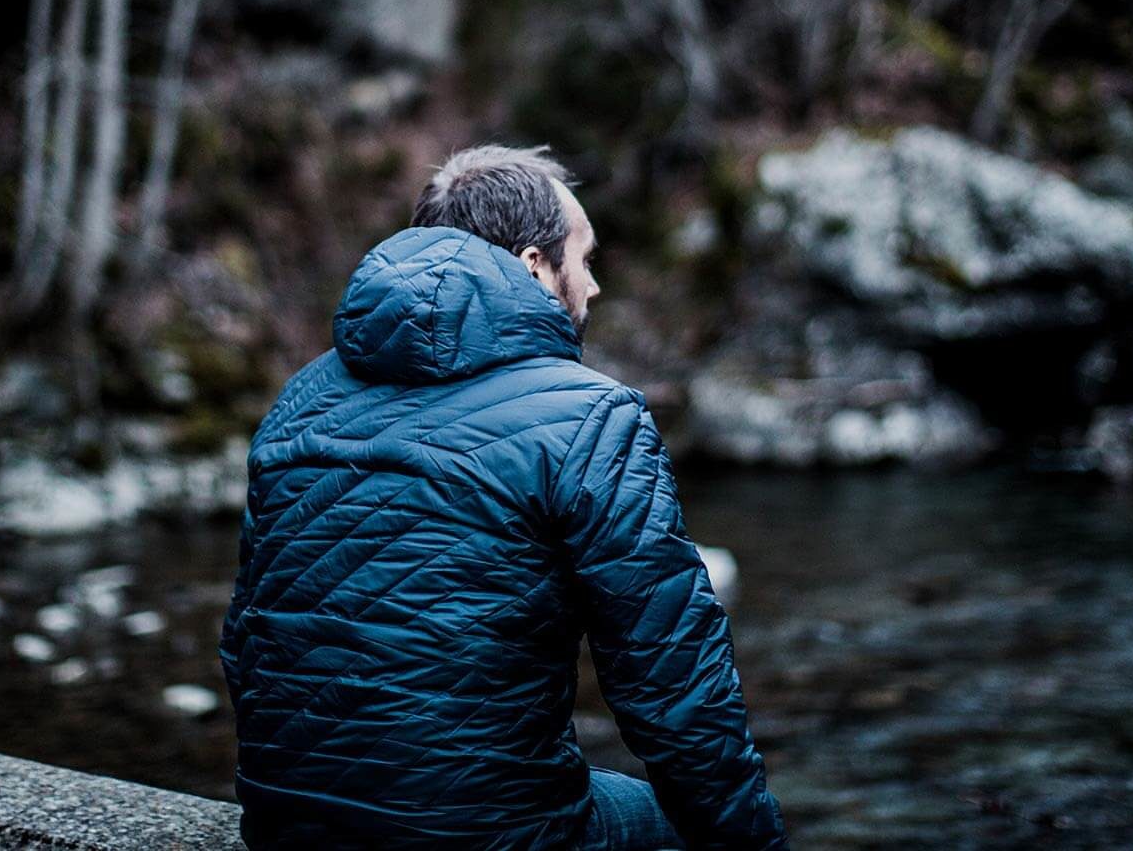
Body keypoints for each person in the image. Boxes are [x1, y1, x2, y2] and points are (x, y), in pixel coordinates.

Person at [219, 145, 789, 850]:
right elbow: (677, 691)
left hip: (284, 825)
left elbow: (246, 636)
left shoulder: (299, 400)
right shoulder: (588, 417)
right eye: (582, 259)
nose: (595, 286)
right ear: (532, 267)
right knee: (684, 827)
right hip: (486, 839)